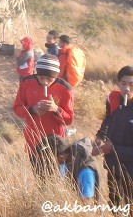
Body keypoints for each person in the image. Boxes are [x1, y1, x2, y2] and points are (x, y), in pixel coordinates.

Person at [12, 55, 75, 178]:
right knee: (39, 177)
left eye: (49, 79)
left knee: (56, 178)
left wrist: (56, 110)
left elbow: (68, 119)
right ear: (36, 72)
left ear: (56, 76)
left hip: (55, 144)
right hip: (33, 140)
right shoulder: (26, 82)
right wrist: (32, 109)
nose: (45, 82)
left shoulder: (65, 89)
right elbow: (17, 108)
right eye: (41, 77)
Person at [95, 65, 133, 206]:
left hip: (131, 169)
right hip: (114, 165)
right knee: (115, 202)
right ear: (118, 84)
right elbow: (108, 119)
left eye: (132, 85)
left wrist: (112, 148)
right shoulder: (115, 100)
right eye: (123, 84)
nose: (127, 88)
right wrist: (100, 137)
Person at [37, 134, 99, 202]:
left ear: (61, 157)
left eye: (48, 159)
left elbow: (88, 203)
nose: (48, 163)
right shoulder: (65, 164)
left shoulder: (86, 172)